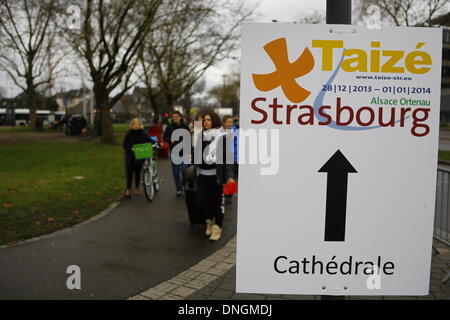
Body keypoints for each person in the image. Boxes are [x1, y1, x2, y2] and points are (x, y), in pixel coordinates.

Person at [195, 111, 235, 241]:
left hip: (216, 176)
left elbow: (228, 158)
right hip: (202, 175)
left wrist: (229, 176)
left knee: (217, 203)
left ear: (214, 121)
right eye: (204, 120)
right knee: (202, 201)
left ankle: (217, 227)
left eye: (208, 120)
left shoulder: (222, 137)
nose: (206, 122)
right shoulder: (199, 136)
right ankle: (209, 222)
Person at [122, 118, 152, 198]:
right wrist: (130, 148)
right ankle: (128, 189)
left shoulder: (143, 133)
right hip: (130, 156)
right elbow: (124, 144)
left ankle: (137, 187)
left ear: (140, 125)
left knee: (138, 173)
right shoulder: (128, 134)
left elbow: (149, 140)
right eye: (134, 124)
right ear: (132, 125)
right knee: (129, 173)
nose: (136, 126)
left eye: (138, 124)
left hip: (139, 156)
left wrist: (155, 143)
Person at [163, 111, 190, 196]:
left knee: (184, 169)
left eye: (177, 116)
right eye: (173, 117)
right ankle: (179, 189)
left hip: (185, 151)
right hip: (174, 152)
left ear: (180, 117)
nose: (175, 118)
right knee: (176, 172)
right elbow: (165, 137)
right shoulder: (169, 127)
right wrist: (170, 141)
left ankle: (183, 184)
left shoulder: (185, 126)